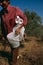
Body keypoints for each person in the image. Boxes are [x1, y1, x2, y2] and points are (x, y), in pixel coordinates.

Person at [0, 0, 27, 65]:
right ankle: (15, 57)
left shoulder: (15, 9)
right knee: (12, 47)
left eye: (1, 1)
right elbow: (2, 25)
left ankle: (13, 62)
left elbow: (25, 19)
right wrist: (3, 35)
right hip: (8, 34)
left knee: (15, 48)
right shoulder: (1, 12)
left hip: (16, 33)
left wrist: (19, 28)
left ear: (7, 1)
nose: (0, 4)